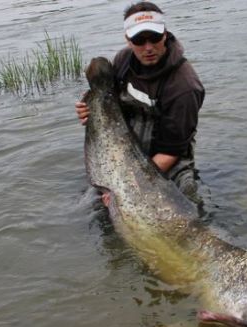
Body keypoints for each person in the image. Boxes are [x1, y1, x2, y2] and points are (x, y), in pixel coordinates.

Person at [75, 1, 205, 205]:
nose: (148, 47)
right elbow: (111, 105)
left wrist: (127, 186)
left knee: (187, 209)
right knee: (95, 207)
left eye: (154, 38)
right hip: (128, 150)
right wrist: (87, 110)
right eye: (139, 40)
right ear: (128, 39)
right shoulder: (123, 60)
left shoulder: (185, 86)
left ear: (164, 34)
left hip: (169, 162)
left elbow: (171, 151)